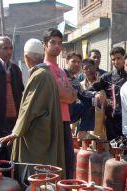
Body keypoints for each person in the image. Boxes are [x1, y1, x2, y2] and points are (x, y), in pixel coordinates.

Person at [0, 39, 66, 181]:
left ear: (27, 58)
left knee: (34, 169)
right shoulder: (45, 74)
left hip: (37, 132)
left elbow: (29, 108)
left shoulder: (39, 75)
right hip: (45, 127)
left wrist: (16, 132)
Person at [42, 28, 76, 179]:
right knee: (55, 161)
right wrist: (65, 94)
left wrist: (65, 94)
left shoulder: (61, 71)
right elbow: (64, 94)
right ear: (45, 45)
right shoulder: (44, 69)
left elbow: (70, 97)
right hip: (52, 120)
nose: (56, 46)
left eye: (59, 43)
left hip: (65, 119)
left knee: (68, 159)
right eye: (52, 42)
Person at [92, 47, 127, 141]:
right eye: (113, 59)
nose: (116, 61)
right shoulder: (107, 77)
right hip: (111, 119)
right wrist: (97, 94)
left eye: (119, 58)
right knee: (113, 148)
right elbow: (90, 90)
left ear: (124, 57)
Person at [78, 59, 106, 140]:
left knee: (100, 148)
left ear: (95, 68)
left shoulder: (102, 84)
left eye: (91, 67)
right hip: (84, 122)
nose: (89, 70)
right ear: (83, 70)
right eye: (86, 68)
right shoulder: (80, 85)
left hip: (100, 122)